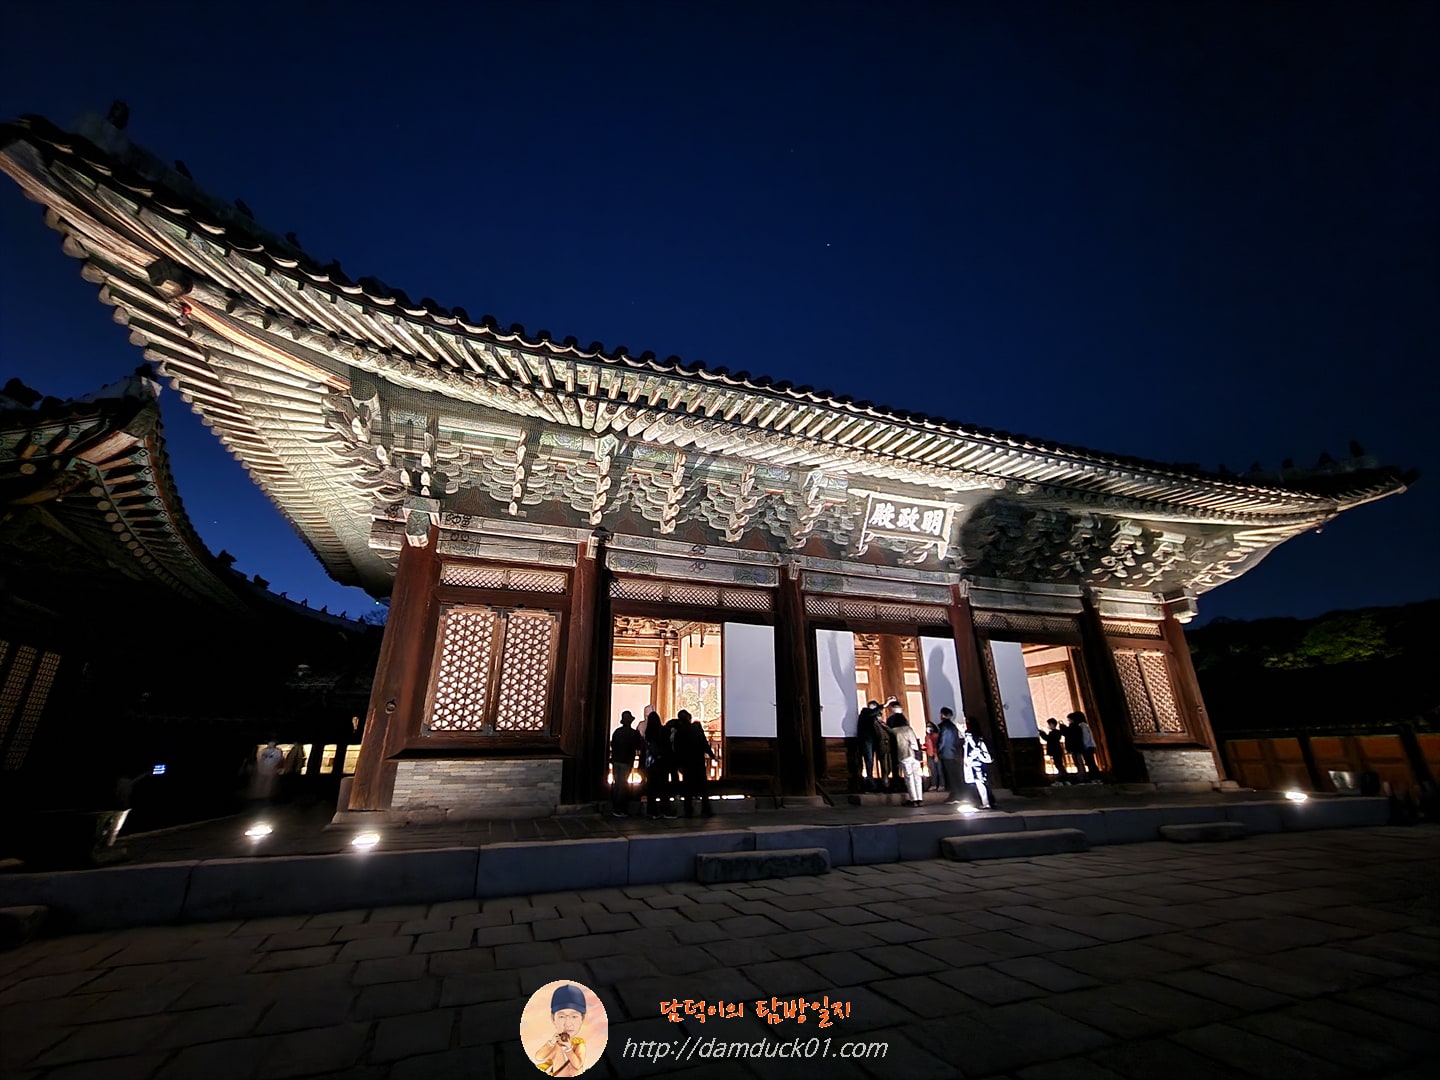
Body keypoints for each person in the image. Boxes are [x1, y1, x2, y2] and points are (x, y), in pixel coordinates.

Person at [533, 982, 590, 1075]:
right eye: (561, 1017)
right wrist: (551, 1043)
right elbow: (539, 1057)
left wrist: (569, 1048)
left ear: (582, 1019)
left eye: (574, 1016)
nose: (567, 1023)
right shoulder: (556, 1045)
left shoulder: (579, 1045)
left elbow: (577, 1065)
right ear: (553, 1018)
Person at [675, 709, 718, 817]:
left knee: (687, 788)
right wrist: (712, 755)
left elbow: (678, 750)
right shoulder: (696, 729)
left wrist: (679, 764)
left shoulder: (679, 732)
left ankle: (688, 810)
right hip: (698, 762)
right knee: (703, 788)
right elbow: (704, 744)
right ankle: (705, 809)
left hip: (686, 763)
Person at [887, 702, 925, 807]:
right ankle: (920, 798)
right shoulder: (909, 729)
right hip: (914, 755)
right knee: (917, 777)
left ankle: (913, 799)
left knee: (909, 778)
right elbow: (914, 743)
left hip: (903, 755)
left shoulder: (894, 731)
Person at [609, 710, 645, 817]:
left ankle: (616, 806)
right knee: (623, 785)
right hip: (626, 761)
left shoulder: (617, 732)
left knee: (617, 784)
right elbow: (638, 747)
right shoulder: (634, 734)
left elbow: (613, 745)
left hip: (616, 760)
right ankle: (620, 808)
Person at [641, 709, 674, 819]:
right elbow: (668, 748)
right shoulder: (664, 732)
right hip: (662, 763)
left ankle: (652, 811)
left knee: (651, 789)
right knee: (664, 787)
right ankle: (665, 810)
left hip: (651, 763)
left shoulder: (647, 733)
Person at [961, 718, 994, 809]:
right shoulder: (978, 735)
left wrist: (969, 758)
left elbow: (975, 749)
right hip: (979, 762)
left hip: (975, 762)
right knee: (983, 782)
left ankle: (986, 802)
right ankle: (989, 801)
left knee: (980, 783)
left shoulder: (970, 736)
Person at [937, 707, 965, 802]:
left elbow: (942, 741)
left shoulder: (944, 727)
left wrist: (938, 750)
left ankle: (955, 795)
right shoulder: (953, 726)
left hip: (947, 753)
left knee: (950, 775)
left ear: (942, 715)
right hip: (954, 752)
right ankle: (959, 793)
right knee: (956, 774)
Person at [857, 700, 881, 791]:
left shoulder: (873, 717)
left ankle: (875, 779)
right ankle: (869, 779)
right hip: (867, 740)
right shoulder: (865, 713)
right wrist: (884, 705)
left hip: (873, 740)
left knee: (872, 759)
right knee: (868, 759)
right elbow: (871, 713)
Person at [873, 700, 897, 792]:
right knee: (884, 767)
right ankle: (885, 784)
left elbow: (891, 732)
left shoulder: (883, 724)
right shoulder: (875, 725)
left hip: (888, 747)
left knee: (889, 766)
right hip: (881, 747)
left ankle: (887, 782)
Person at [1068, 711, 1099, 779]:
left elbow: (1085, 737)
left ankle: (1095, 776)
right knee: (1090, 762)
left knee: (1090, 762)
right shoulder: (1084, 725)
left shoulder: (1082, 725)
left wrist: (1083, 745)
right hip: (1090, 746)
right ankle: (1095, 776)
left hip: (1087, 746)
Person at [924, 721, 942, 792]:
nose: (928, 728)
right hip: (929, 754)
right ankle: (934, 785)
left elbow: (935, 746)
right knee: (933, 771)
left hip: (935, 754)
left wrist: (936, 755)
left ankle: (941, 785)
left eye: (929, 726)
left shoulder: (935, 735)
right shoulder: (927, 736)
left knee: (939, 770)